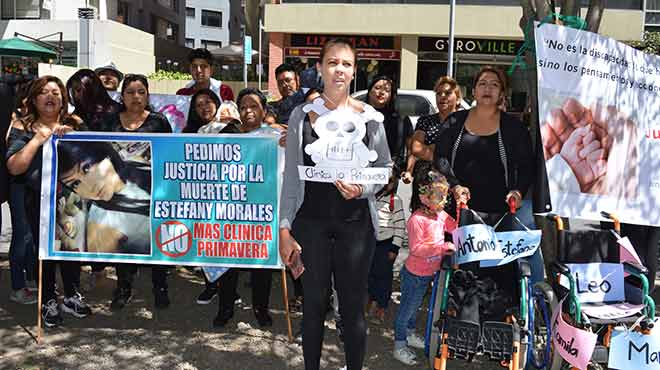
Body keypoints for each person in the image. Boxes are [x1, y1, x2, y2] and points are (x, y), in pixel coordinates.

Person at [278, 38, 392, 370]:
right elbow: (291, 181)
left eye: (345, 63)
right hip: (310, 223)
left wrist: (362, 188)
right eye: (332, 62)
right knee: (312, 306)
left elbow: (384, 170)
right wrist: (285, 229)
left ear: (354, 71)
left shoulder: (370, 118)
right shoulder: (301, 116)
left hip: (356, 225)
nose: (338, 69)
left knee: (353, 308)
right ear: (319, 68)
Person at [6, 76, 91, 327]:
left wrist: (73, 138)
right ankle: (48, 299)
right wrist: (37, 140)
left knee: (71, 246)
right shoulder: (23, 125)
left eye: (56, 92)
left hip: (72, 199)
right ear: (34, 99)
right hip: (37, 198)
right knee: (44, 250)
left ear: (63, 98)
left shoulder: (75, 123)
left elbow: (92, 160)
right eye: (44, 92)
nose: (50, 96)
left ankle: (72, 295)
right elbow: (14, 167)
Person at [101, 74, 173, 310]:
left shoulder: (159, 122)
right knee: (122, 239)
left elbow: (172, 156)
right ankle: (123, 287)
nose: (136, 97)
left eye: (141, 91)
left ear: (148, 95)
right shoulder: (110, 121)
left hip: (154, 193)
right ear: (122, 96)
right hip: (120, 194)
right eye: (131, 92)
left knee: (156, 240)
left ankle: (160, 286)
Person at [213, 88, 279, 328]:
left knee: (261, 265)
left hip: (261, 211)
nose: (248, 111)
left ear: (264, 110)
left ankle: (261, 309)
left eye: (254, 106)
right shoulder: (228, 133)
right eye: (243, 107)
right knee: (228, 263)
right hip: (230, 210)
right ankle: (225, 308)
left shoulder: (274, 136)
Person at [393, 161, 456, 366]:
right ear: (423, 197)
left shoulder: (440, 215)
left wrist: (463, 208)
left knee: (415, 306)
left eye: (444, 196)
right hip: (414, 275)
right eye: (439, 196)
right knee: (407, 310)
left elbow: (454, 227)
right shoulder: (417, 220)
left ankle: (409, 334)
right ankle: (399, 345)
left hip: (428, 273)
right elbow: (417, 249)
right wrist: (441, 248)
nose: (443, 201)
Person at [57, 141, 151, 255]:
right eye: (75, 184)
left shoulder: (137, 163)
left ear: (106, 155)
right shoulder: (101, 228)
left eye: (86, 168)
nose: (88, 186)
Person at [402, 76, 462, 183]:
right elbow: (416, 148)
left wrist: (430, 148)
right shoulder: (425, 120)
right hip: (426, 180)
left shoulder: (465, 122)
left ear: (458, 100)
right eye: (439, 93)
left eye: (448, 93)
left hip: (455, 180)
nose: (442, 96)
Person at [366, 175, 405, 324]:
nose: (386, 184)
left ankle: (382, 306)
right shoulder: (371, 197)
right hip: (370, 243)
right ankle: (372, 299)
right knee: (370, 274)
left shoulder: (394, 201)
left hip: (386, 245)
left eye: (390, 181)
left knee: (384, 276)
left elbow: (400, 226)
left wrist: (394, 248)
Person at [363, 76, 412, 175]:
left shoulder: (401, 119)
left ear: (392, 95)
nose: (381, 92)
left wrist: (403, 169)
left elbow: (410, 148)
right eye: (377, 88)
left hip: (390, 171)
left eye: (387, 90)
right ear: (369, 91)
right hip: (359, 170)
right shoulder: (357, 116)